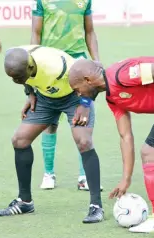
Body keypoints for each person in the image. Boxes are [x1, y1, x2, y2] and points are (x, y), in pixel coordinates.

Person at [69, 57, 154, 233]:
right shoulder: (112, 99)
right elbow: (125, 136)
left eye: (77, 89)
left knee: (150, 152)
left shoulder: (120, 76)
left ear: (88, 80)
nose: (78, 94)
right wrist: (126, 179)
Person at [0, 46, 104, 223]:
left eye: (18, 77)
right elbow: (24, 77)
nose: (15, 80)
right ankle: (25, 201)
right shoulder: (19, 58)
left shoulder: (57, 66)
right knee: (20, 140)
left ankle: (96, 206)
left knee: (84, 142)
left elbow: (92, 76)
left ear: (30, 68)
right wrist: (29, 93)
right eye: (12, 77)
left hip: (75, 97)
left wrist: (84, 104)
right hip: (46, 98)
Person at [31, 0, 102, 191]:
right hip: (49, 65)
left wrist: (96, 61)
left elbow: (89, 31)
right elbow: (36, 34)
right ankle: (49, 174)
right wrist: (33, 64)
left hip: (78, 66)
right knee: (50, 124)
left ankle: (84, 176)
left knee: (82, 121)